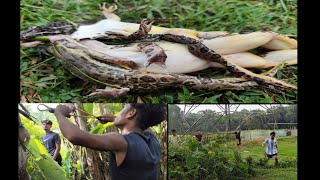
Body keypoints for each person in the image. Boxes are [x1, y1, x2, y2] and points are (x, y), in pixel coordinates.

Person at [53, 103, 166, 180]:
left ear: (131, 113)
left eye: (124, 108)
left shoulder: (121, 142)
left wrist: (59, 113)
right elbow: (143, 125)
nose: (120, 112)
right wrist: (115, 119)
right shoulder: (152, 139)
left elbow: (74, 136)